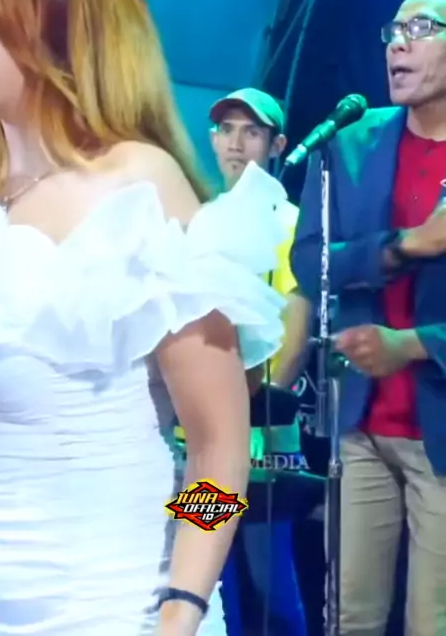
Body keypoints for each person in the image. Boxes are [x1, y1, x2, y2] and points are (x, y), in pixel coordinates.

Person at [0, 0, 289, 636]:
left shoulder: (141, 191)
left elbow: (218, 451)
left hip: (112, 614)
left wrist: (183, 606)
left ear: (41, 12)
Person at [291, 0, 446, 636]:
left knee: (430, 621)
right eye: (393, 31)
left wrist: (410, 344)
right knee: (348, 616)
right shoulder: (349, 143)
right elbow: (309, 263)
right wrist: (406, 246)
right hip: (359, 427)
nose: (397, 45)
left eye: (421, 29)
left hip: (438, 433)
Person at [208, 87, 308, 636]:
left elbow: (296, 326)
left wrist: (257, 408)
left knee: (270, 578)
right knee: (208, 568)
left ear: (277, 144)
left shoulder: (290, 224)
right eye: (226, 130)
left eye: (251, 131)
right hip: (201, 442)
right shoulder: (202, 220)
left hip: (265, 437)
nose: (236, 143)